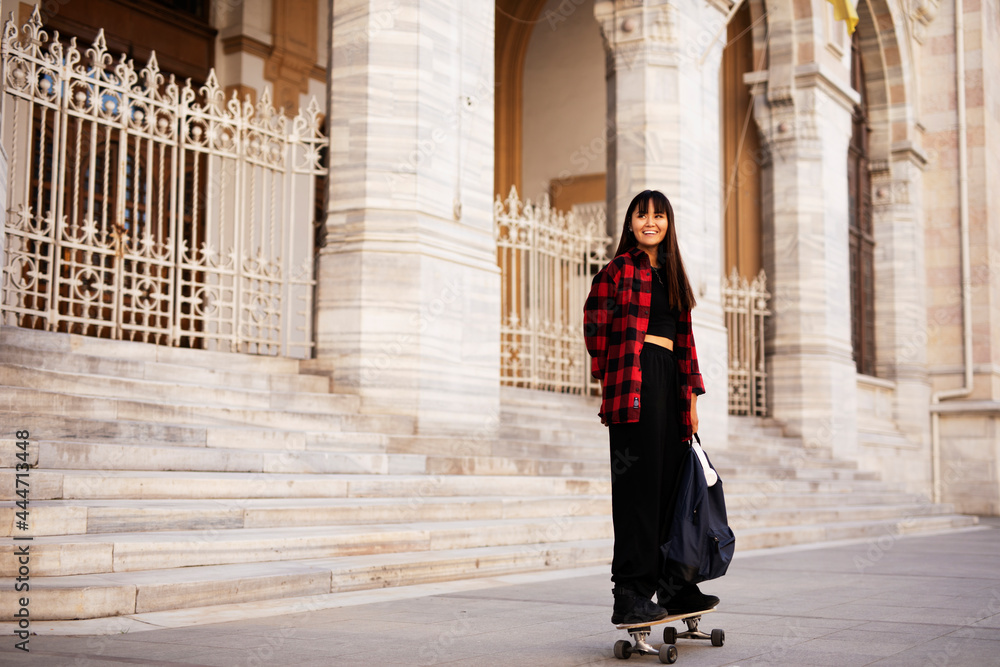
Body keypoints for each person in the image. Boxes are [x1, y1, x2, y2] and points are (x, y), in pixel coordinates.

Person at [584, 190, 720, 625]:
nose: (650, 222)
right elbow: (594, 325)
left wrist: (693, 399)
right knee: (637, 493)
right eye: (642, 215)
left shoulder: (674, 275)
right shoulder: (617, 270)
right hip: (635, 382)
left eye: (658, 216)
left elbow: (688, 344)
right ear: (630, 223)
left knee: (670, 489)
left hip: (672, 384)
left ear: (668, 224)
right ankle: (631, 593)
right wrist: (620, 368)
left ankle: (675, 586)